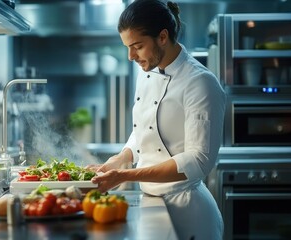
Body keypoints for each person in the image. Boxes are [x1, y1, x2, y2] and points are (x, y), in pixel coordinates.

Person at [89, 0, 225, 239]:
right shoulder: (147, 73)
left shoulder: (200, 82)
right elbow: (144, 129)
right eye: (127, 47)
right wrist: (122, 158)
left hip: (188, 213)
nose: (131, 56)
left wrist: (125, 175)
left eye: (137, 46)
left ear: (163, 37)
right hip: (152, 204)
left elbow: (199, 159)